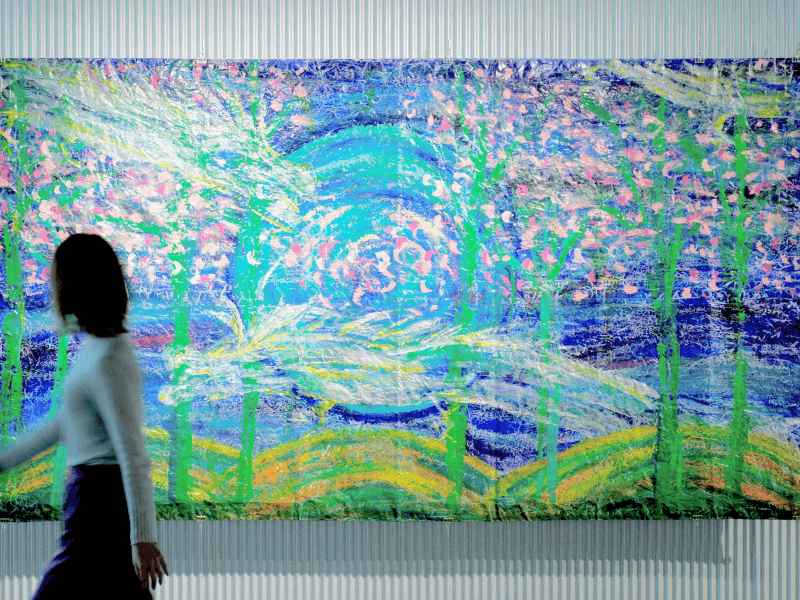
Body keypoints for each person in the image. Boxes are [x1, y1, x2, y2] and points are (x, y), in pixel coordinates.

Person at [0, 233, 169, 598]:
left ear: (75, 286)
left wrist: (143, 538)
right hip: (90, 497)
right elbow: (64, 424)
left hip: (99, 502)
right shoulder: (97, 348)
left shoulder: (110, 357)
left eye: (57, 280)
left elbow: (132, 453)